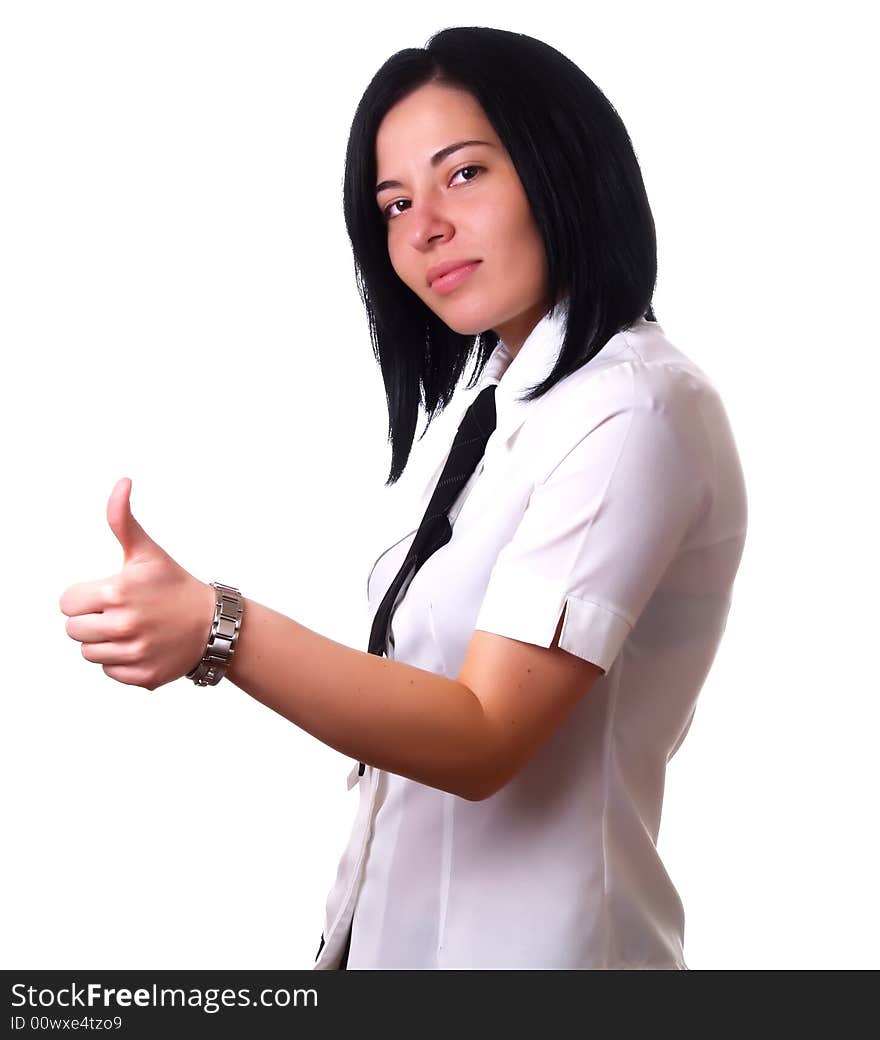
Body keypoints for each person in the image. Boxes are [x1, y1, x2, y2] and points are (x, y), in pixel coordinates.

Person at [59, 26, 748, 971]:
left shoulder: (636, 408)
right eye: (392, 203)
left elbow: (482, 736)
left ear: (564, 168)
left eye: (462, 175)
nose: (421, 227)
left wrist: (220, 626)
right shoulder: (498, 411)